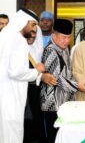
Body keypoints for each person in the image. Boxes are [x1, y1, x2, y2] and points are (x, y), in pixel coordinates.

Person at [0, 8, 45, 143]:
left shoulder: (4, 35)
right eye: (32, 25)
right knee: (12, 135)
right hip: (11, 97)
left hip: (4, 95)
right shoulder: (18, 40)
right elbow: (15, 72)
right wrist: (37, 71)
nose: (33, 30)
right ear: (23, 21)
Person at [40, 19, 85, 143]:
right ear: (54, 35)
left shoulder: (65, 49)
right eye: (63, 37)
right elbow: (56, 79)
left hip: (63, 104)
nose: (66, 41)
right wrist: (78, 86)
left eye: (68, 38)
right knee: (52, 138)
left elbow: (68, 72)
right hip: (52, 105)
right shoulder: (51, 50)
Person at [24, 25, 46, 143]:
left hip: (37, 92)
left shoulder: (39, 50)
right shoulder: (20, 50)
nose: (32, 35)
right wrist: (36, 71)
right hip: (24, 92)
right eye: (30, 31)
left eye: (35, 32)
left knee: (37, 120)